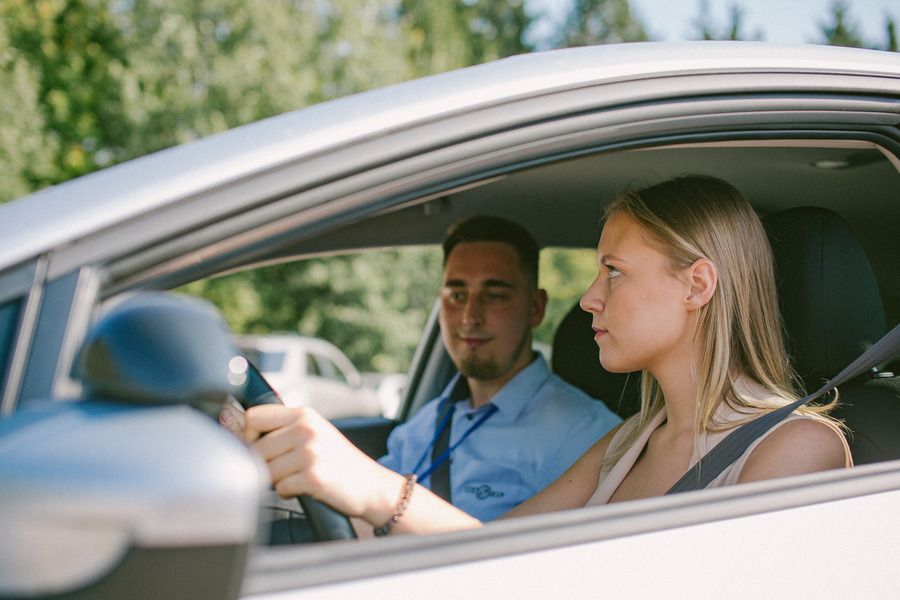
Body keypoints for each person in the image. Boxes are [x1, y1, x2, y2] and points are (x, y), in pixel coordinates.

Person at [238, 175, 851, 537]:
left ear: (697, 286)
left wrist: (370, 486)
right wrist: (315, 480)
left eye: (613, 272)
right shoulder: (629, 441)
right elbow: (496, 553)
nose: (588, 299)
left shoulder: (796, 450)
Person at [224, 215, 621, 523]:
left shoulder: (586, 434)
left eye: (495, 295)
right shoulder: (424, 425)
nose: (470, 316)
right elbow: (350, 518)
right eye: (456, 294)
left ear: (535, 307)